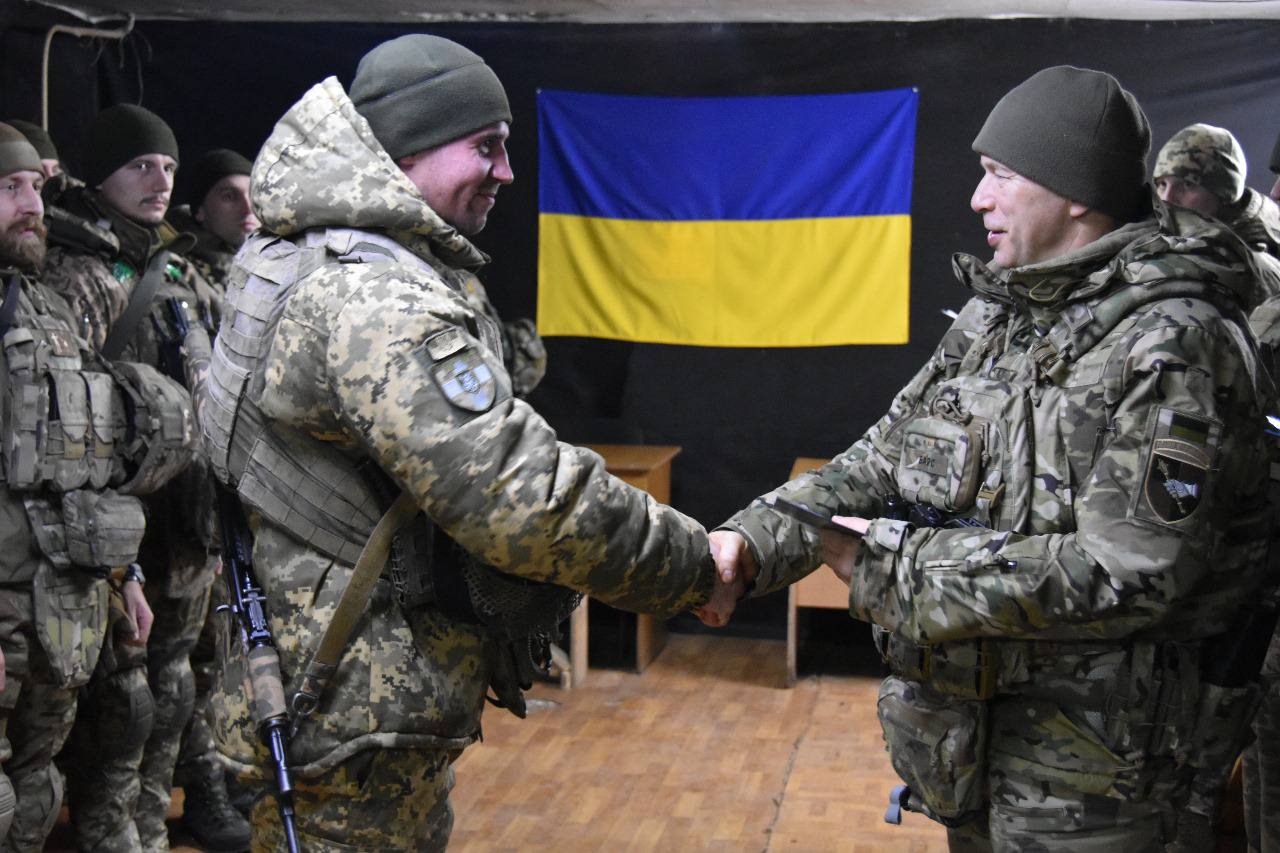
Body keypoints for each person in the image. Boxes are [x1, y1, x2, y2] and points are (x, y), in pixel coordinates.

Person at [710, 66, 1275, 852]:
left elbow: (1131, 571)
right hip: (972, 754)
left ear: (1074, 191)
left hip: (1105, 790)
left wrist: (896, 567)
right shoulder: (998, 314)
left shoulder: (1179, 340)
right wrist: (753, 539)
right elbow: (882, 458)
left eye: (1000, 175)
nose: (978, 198)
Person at [200, 33, 732, 851]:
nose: (506, 171)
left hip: (324, 681)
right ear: (410, 145)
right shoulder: (372, 296)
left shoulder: (299, 253)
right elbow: (526, 498)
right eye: (486, 146)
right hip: (351, 706)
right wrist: (695, 564)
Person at [0, 122, 193, 853]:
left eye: (36, 188)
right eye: (10, 188)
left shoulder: (46, 311)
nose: (33, 206)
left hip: (59, 600)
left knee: (38, 786)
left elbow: (87, 453)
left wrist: (125, 577)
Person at [40, 104, 220, 853]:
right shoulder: (75, 273)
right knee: (122, 699)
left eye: (168, 166)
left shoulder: (182, 272)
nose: (160, 179)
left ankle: (148, 823)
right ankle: (108, 830)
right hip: (113, 524)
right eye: (141, 164)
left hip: (186, 520)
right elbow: (66, 418)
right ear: (99, 175)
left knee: (175, 686)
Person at [1153, 122, 1280, 258]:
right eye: (1162, 184)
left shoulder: (1247, 259)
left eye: (1187, 184)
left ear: (1225, 193)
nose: (1167, 199)